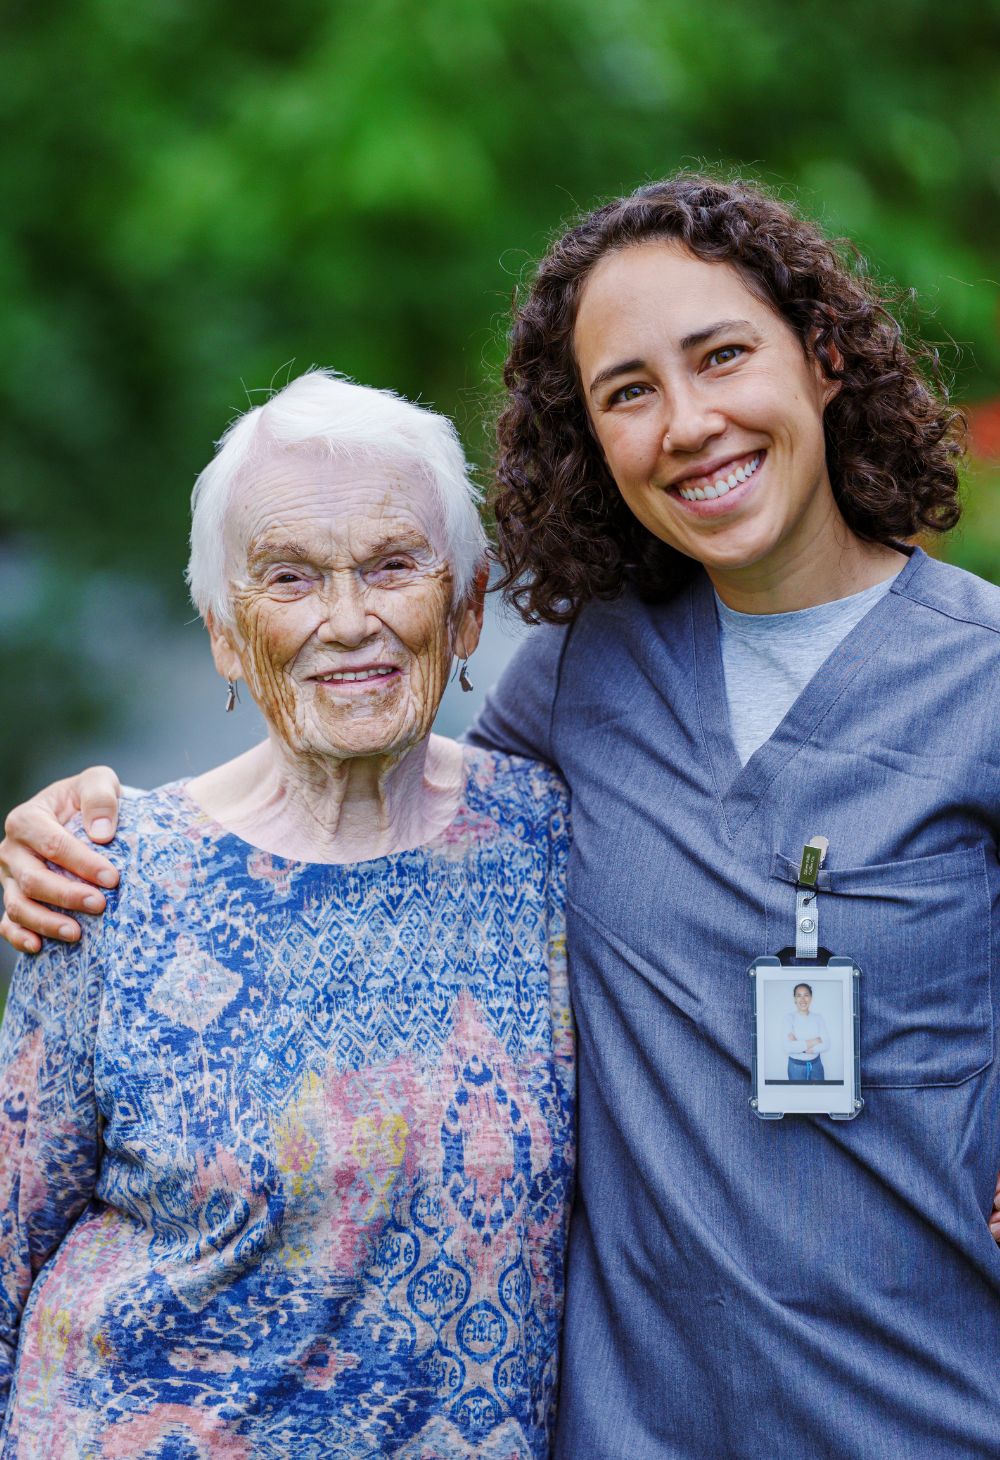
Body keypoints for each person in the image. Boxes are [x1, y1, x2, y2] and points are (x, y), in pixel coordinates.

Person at [4, 174, 1000, 1457]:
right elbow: (362, 785)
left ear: (823, 360)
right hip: (636, 1427)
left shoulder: (981, 683)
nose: (688, 422)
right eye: (627, 391)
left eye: (722, 356)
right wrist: (87, 818)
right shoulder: (579, 688)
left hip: (929, 1413)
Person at [0, 371, 574, 1458]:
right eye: (290, 579)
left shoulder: (547, 836)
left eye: (394, 565)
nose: (348, 620)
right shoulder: (105, 874)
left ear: (464, 608)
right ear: (225, 633)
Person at [784, 982, 829, 1081]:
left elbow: (826, 1044)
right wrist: (815, 1041)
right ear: (795, 999)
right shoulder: (789, 1018)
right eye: (799, 995)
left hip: (816, 1065)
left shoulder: (818, 1018)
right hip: (796, 1067)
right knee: (798, 1096)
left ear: (811, 998)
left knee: (820, 1095)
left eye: (806, 995)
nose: (803, 999)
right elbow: (788, 1047)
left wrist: (800, 1045)